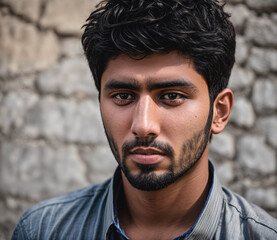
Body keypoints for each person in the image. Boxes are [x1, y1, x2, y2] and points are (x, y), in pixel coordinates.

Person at [12, 0, 277, 239]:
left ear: (219, 112)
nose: (143, 126)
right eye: (123, 96)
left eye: (171, 96)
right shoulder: (43, 230)